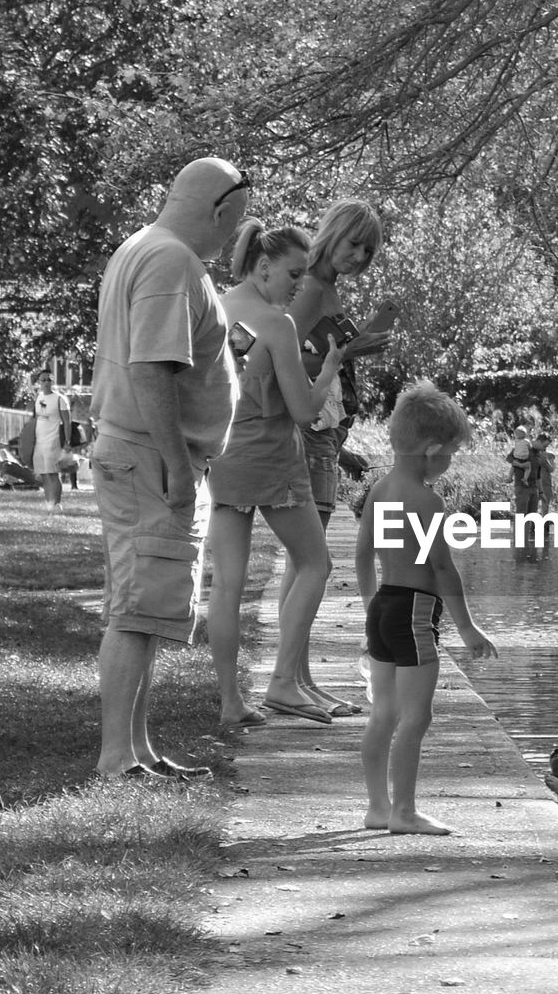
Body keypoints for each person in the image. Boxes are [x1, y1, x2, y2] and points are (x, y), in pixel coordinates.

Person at [90, 156, 250, 780]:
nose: (233, 238)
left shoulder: (144, 246)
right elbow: (151, 369)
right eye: (233, 224)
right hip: (151, 457)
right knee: (137, 607)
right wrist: (181, 470)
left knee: (148, 605)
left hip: (144, 454)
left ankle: (137, 749)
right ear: (219, 210)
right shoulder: (171, 260)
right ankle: (114, 758)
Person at [207, 217, 346, 729]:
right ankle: (285, 682)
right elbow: (306, 411)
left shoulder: (215, 308)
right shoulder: (276, 323)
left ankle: (230, 702)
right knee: (315, 564)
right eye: (293, 274)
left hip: (222, 459)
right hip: (272, 459)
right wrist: (330, 369)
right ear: (264, 266)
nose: (298, 286)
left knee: (226, 587)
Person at [355, 381, 497, 834]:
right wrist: (469, 629)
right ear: (433, 449)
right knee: (417, 716)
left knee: (383, 713)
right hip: (416, 612)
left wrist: (368, 607)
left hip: (383, 607)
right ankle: (404, 812)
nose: (450, 461)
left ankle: (377, 807)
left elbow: (362, 554)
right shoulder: (427, 500)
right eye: (452, 452)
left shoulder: (379, 488)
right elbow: (441, 569)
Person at [282, 198, 393, 716]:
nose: (359, 257)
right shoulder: (310, 288)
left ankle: (299, 677)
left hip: (325, 436)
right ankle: (290, 679)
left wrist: (354, 345)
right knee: (309, 563)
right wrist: (347, 351)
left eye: (368, 252)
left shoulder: (325, 289)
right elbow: (273, 356)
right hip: (308, 435)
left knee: (304, 563)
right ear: (332, 234)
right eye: (354, 244)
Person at [31, 372, 72, 511]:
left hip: (53, 440)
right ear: (39, 382)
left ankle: (57, 505)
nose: (46, 382)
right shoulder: (39, 397)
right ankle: (49, 503)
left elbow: (67, 422)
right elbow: (37, 418)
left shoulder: (59, 399)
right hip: (39, 442)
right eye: (43, 380)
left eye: (49, 379)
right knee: (44, 474)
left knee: (53, 473)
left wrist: (67, 441)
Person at [533, 431, 555, 513]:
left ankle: (543, 523)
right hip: (536, 482)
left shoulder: (548, 455)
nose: (545, 447)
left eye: (547, 446)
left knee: (545, 506)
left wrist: (549, 460)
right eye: (545, 445)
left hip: (545, 482)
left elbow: (551, 469)